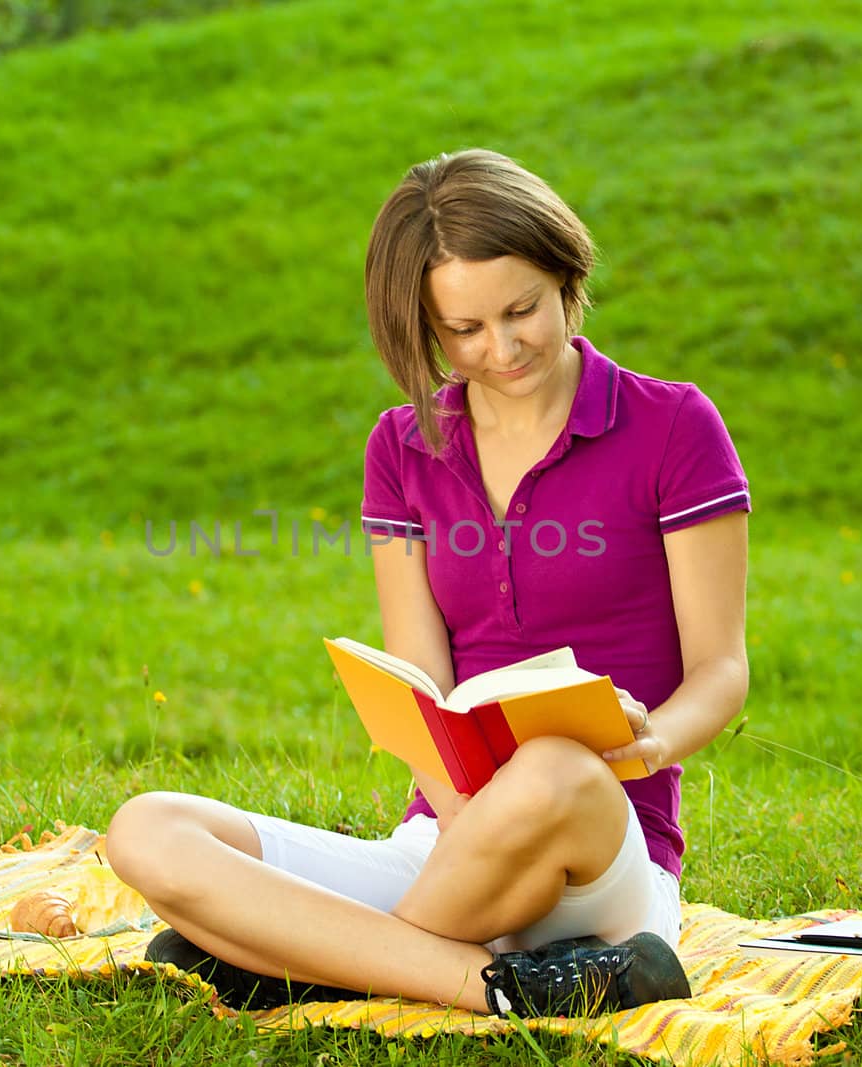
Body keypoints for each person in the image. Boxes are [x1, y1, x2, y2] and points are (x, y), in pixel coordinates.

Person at [106, 148, 750, 1018]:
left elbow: (721, 669)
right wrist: (464, 816)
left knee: (551, 770)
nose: (504, 346)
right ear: (426, 329)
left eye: (523, 309)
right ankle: (487, 984)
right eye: (466, 330)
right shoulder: (402, 447)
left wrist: (652, 744)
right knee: (148, 828)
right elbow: (423, 685)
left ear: (566, 274)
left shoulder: (674, 426)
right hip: (443, 847)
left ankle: (313, 960)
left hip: (603, 847)